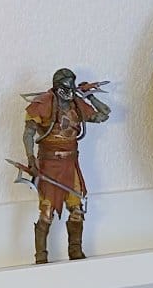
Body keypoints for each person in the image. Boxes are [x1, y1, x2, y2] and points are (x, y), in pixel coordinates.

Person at [20, 68, 110, 264]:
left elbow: (104, 114)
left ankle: (75, 251)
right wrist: (30, 157)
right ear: (57, 86)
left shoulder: (76, 104)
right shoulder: (43, 103)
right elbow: (28, 133)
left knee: (77, 210)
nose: (69, 91)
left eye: (71, 86)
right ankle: (41, 256)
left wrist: (89, 96)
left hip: (70, 165)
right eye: (66, 86)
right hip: (49, 166)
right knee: (46, 212)